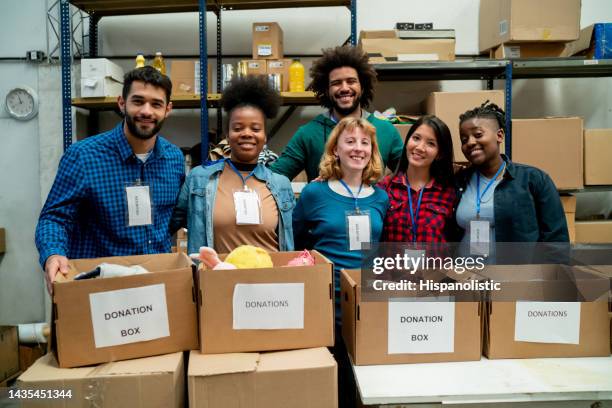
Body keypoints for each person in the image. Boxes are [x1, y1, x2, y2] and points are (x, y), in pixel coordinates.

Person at [35, 66, 184, 294]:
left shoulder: (174, 158)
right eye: (138, 101)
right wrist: (53, 253)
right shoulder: (84, 156)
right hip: (99, 286)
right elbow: (54, 218)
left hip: (155, 283)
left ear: (168, 109)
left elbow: (172, 219)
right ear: (122, 103)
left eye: (156, 104)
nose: (146, 111)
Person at [170, 76, 294, 255]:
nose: (246, 134)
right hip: (217, 280)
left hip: (270, 280)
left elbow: (291, 238)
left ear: (265, 136)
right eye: (237, 128)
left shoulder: (281, 185)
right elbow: (168, 224)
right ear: (227, 136)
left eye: (255, 128)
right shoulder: (199, 179)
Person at [270, 45, 403, 181]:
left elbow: (411, 175)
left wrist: (386, 189)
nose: (344, 88)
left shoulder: (386, 131)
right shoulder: (308, 134)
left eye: (351, 81)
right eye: (336, 83)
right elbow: (274, 179)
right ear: (326, 90)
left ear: (362, 87)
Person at [454, 101, 569, 246]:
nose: (470, 142)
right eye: (464, 139)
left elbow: (556, 240)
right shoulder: (459, 181)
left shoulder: (534, 180)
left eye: (478, 134)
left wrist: (544, 269)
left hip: (516, 268)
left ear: (500, 135)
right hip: (465, 268)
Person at [379, 115, 456, 243]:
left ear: (440, 154)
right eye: (416, 138)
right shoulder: (384, 188)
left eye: (431, 143)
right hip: (393, 263)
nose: (420, 147)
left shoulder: (449, 192)